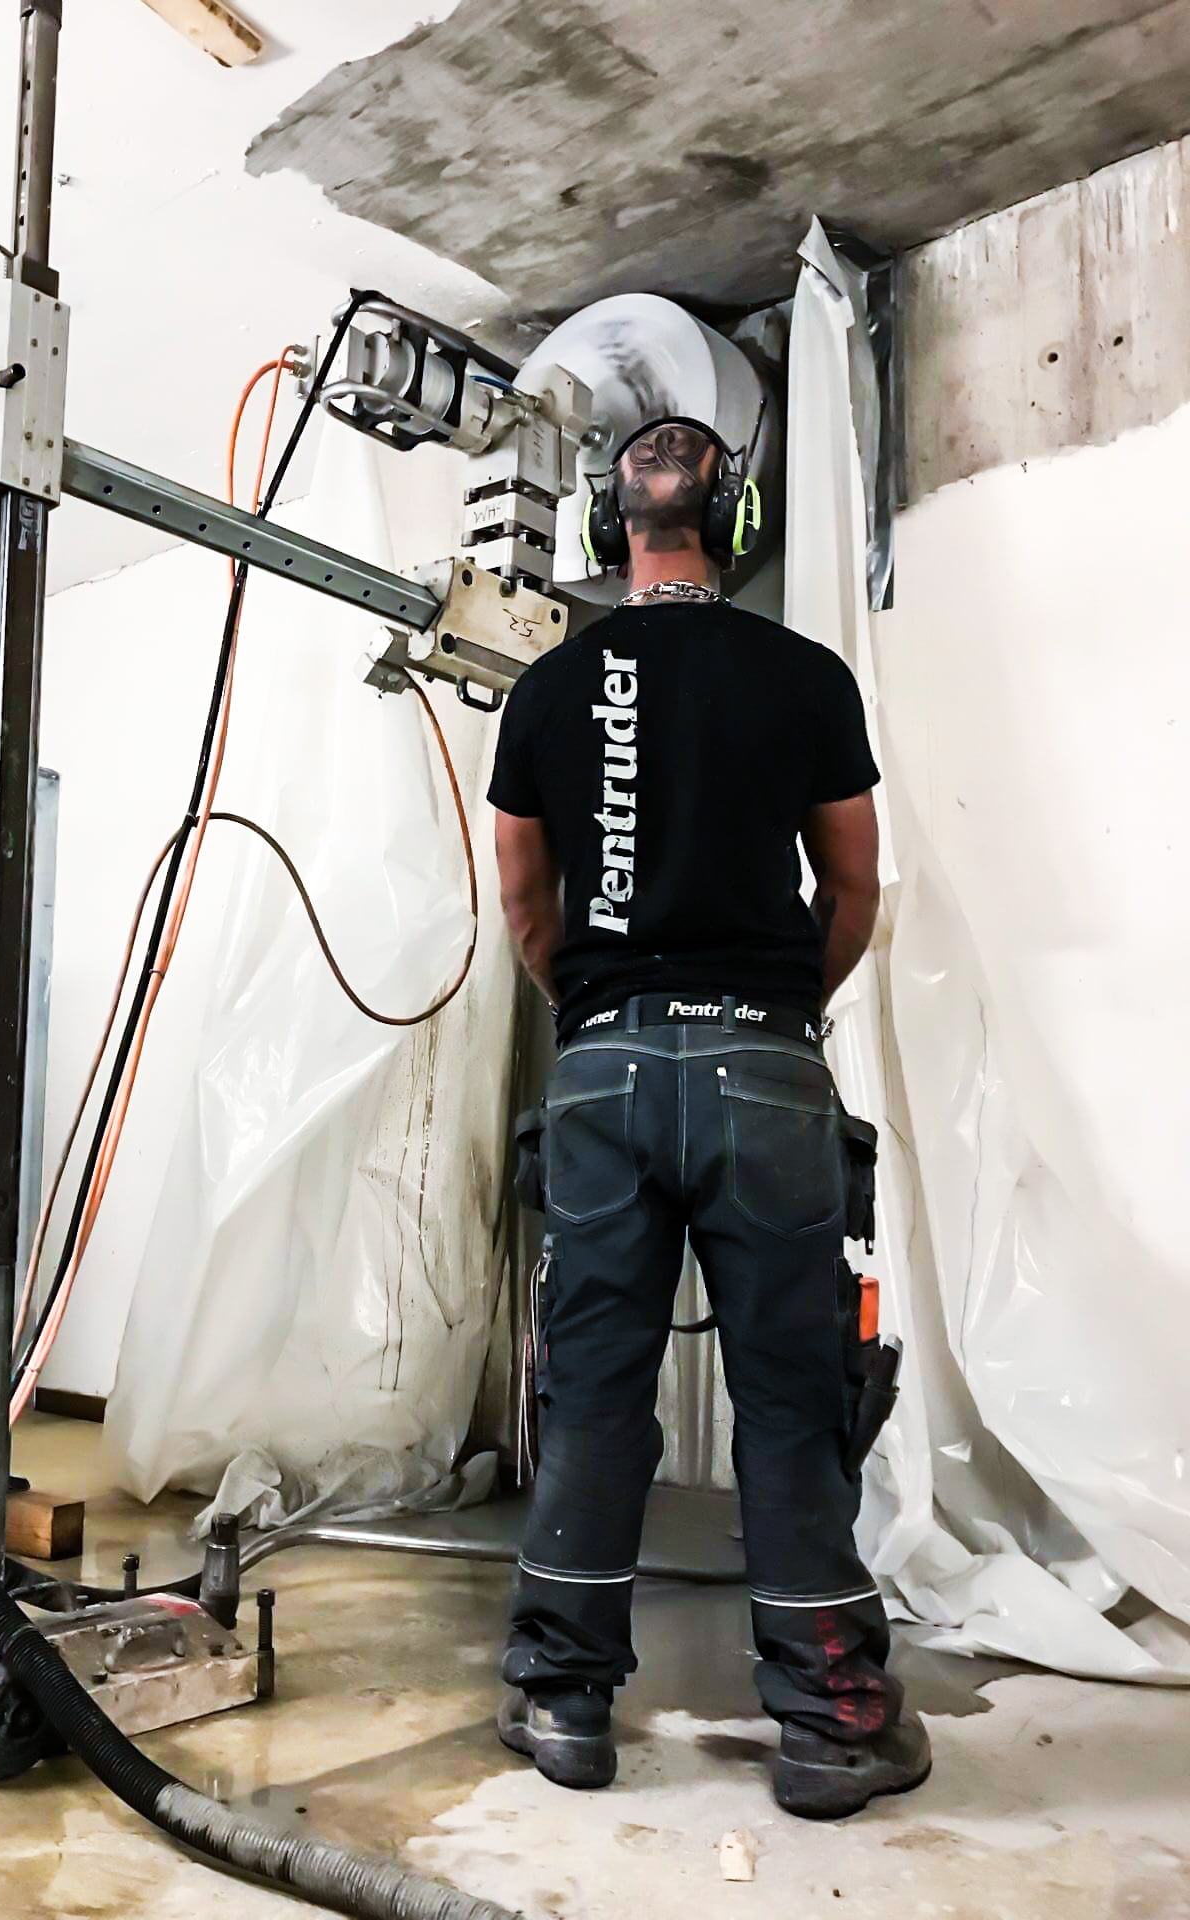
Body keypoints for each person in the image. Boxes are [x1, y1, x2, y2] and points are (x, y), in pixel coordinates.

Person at [487, 416, 930, 1818]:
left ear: (611, 532)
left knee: (595, 1392)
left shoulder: (548, 692)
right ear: (733, 531)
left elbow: (521, 905)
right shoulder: (804, 677)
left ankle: (563, 1699)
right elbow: (852, 891)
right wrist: (777, 1013)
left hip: (605, 1075)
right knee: (794, 1401)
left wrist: (604, 1020)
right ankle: (829, 1722)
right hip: (764, 1072)